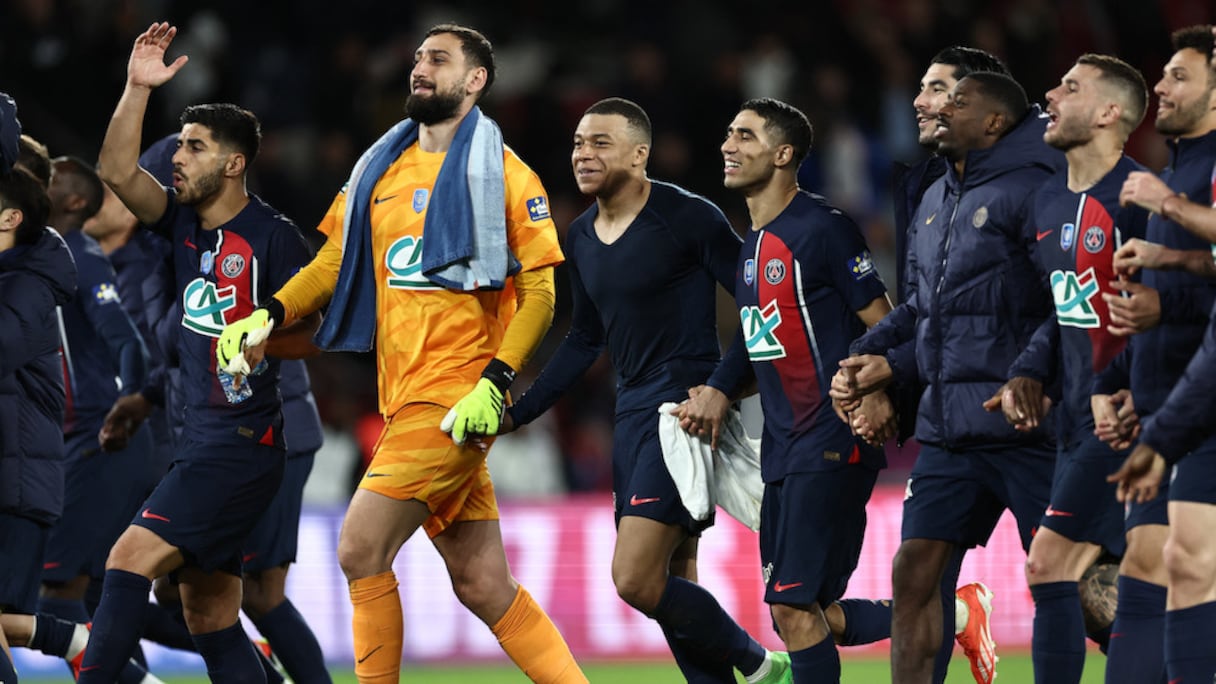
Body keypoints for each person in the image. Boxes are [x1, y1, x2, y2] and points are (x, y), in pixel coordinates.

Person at [218, 23, 585, 684]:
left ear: (475, 80)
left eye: (439, 59)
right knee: (481, 583)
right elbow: (333, 261)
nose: (420, 67)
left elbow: (540, 290)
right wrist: (267, 313)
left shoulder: (504, 171)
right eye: (418, 57)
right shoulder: (379, 169)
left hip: (454, 397)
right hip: (402, 394)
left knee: (360, 547)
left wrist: (495, 382)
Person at [500, 97, 789, 684]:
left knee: (634, 578)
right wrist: (521, 412)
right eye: (579, 142)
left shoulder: (688, 217)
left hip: (682, 409)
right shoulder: (579, 238)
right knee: (673, 581)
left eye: (600, 143)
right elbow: (584, 340)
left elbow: (762, 301)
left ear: (640, 154)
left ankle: (763, 664)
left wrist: (719, 387)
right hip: (631, 415)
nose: (583, 153)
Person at [83, 22, 317, 684]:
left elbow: (319, 328)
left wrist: (264, 335)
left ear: (234, 163)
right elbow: (118, 172)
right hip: (202, 437)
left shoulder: (273, 237)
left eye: (193, 147)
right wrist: (136, 87)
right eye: (179, 144)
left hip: (240, 441)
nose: (178, 158)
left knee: (128, 558)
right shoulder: (183, 225)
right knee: (210, 614)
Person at [834, 71, 1060, 684]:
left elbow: (1063, 301)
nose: (931, 107)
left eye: (955, 101)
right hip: (949, 432)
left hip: (1026, 424)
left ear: (992, 122)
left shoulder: (1034, 188)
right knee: (914, 575)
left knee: (1070, 584)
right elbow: (920, 308)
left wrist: (1032, 372)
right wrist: (866, 355)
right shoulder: (935, 199)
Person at [709, 96, 891, 682]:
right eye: (728, 135)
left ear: (783, 154)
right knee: (804, 613)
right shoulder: (749, 251)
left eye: (745, 136)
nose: (728, 145)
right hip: (782, 451)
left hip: (832, 440)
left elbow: (884, 323)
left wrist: (880, 391)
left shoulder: (823, 228)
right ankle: (955, 609)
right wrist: (714, 390)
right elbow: (758, 347)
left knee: (791, 605)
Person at [984, 54, 1149, 684]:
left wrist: (1134, 389)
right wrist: (1030, 370)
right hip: (1074, 420)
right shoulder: (1048, 201)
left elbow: (1175, 308)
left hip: (1126, 420)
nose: (1049, 93)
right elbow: (1066, 309)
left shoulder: (1140, 200)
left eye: (1070, 88)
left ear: (1110, 114)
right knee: (1105, 584)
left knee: (1049, 564)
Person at [1101, 23, 1216, 684]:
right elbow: (1153, 301)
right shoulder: (1169, 176)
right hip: (1163, 403)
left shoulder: (1174, 186)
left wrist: (1166, 213)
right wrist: (1126, 383)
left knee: (1188, 562)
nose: (1161, 86)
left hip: (1201, 408)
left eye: (1179, 75)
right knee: (1151, 563)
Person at [38, 155, 155, 641]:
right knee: (96, 595)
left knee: (56, 588)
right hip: (75, 439)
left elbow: (128, 341)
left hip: (96, 439)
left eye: (51, 178)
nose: (39, 181)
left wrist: (130, 397)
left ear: (75, 200)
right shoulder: (43, 254)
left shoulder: (78, 257)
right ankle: (236, 649)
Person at [0, 124, 77, 684]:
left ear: (10, 218)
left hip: (18, 485)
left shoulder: (27, 285)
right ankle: (80, 642)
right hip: (13, 476)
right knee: (9, 624)